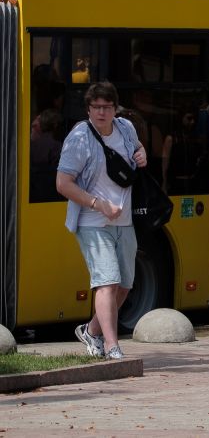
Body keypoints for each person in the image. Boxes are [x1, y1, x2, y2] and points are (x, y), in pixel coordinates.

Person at [56, 81, 148, 359]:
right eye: (95, 107)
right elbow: (63, 183)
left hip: (125, 221)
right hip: (92, 221)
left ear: (114, 108)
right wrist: (98, 204)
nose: (101, 112)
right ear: (88, 109)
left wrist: (141, 153)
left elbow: (136, 149)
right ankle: (112, 346)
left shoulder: (125, 128)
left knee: (125, 284)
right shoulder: (80, 137)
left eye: (106, 107)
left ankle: (92, 331)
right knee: (106, 281)